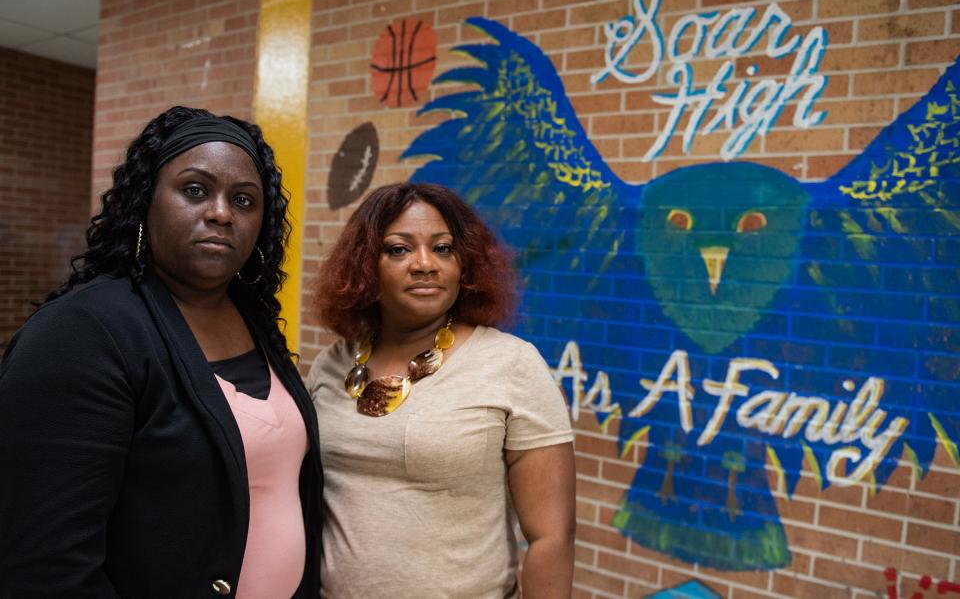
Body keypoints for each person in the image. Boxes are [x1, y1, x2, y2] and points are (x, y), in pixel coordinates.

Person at [0, 106, 322, 598]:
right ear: (146, 202)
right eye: (195, 190)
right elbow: (46, 566)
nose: (221, 212)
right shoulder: (82, 332)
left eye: (243, 199)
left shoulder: (251, 318)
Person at [308, 182, 575, 598]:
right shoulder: (332, 364)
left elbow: (551, 538)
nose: (424, 264)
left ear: (465, 265)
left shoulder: (511, 364)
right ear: (364, 266)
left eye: (443, 248)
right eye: (399, 249)